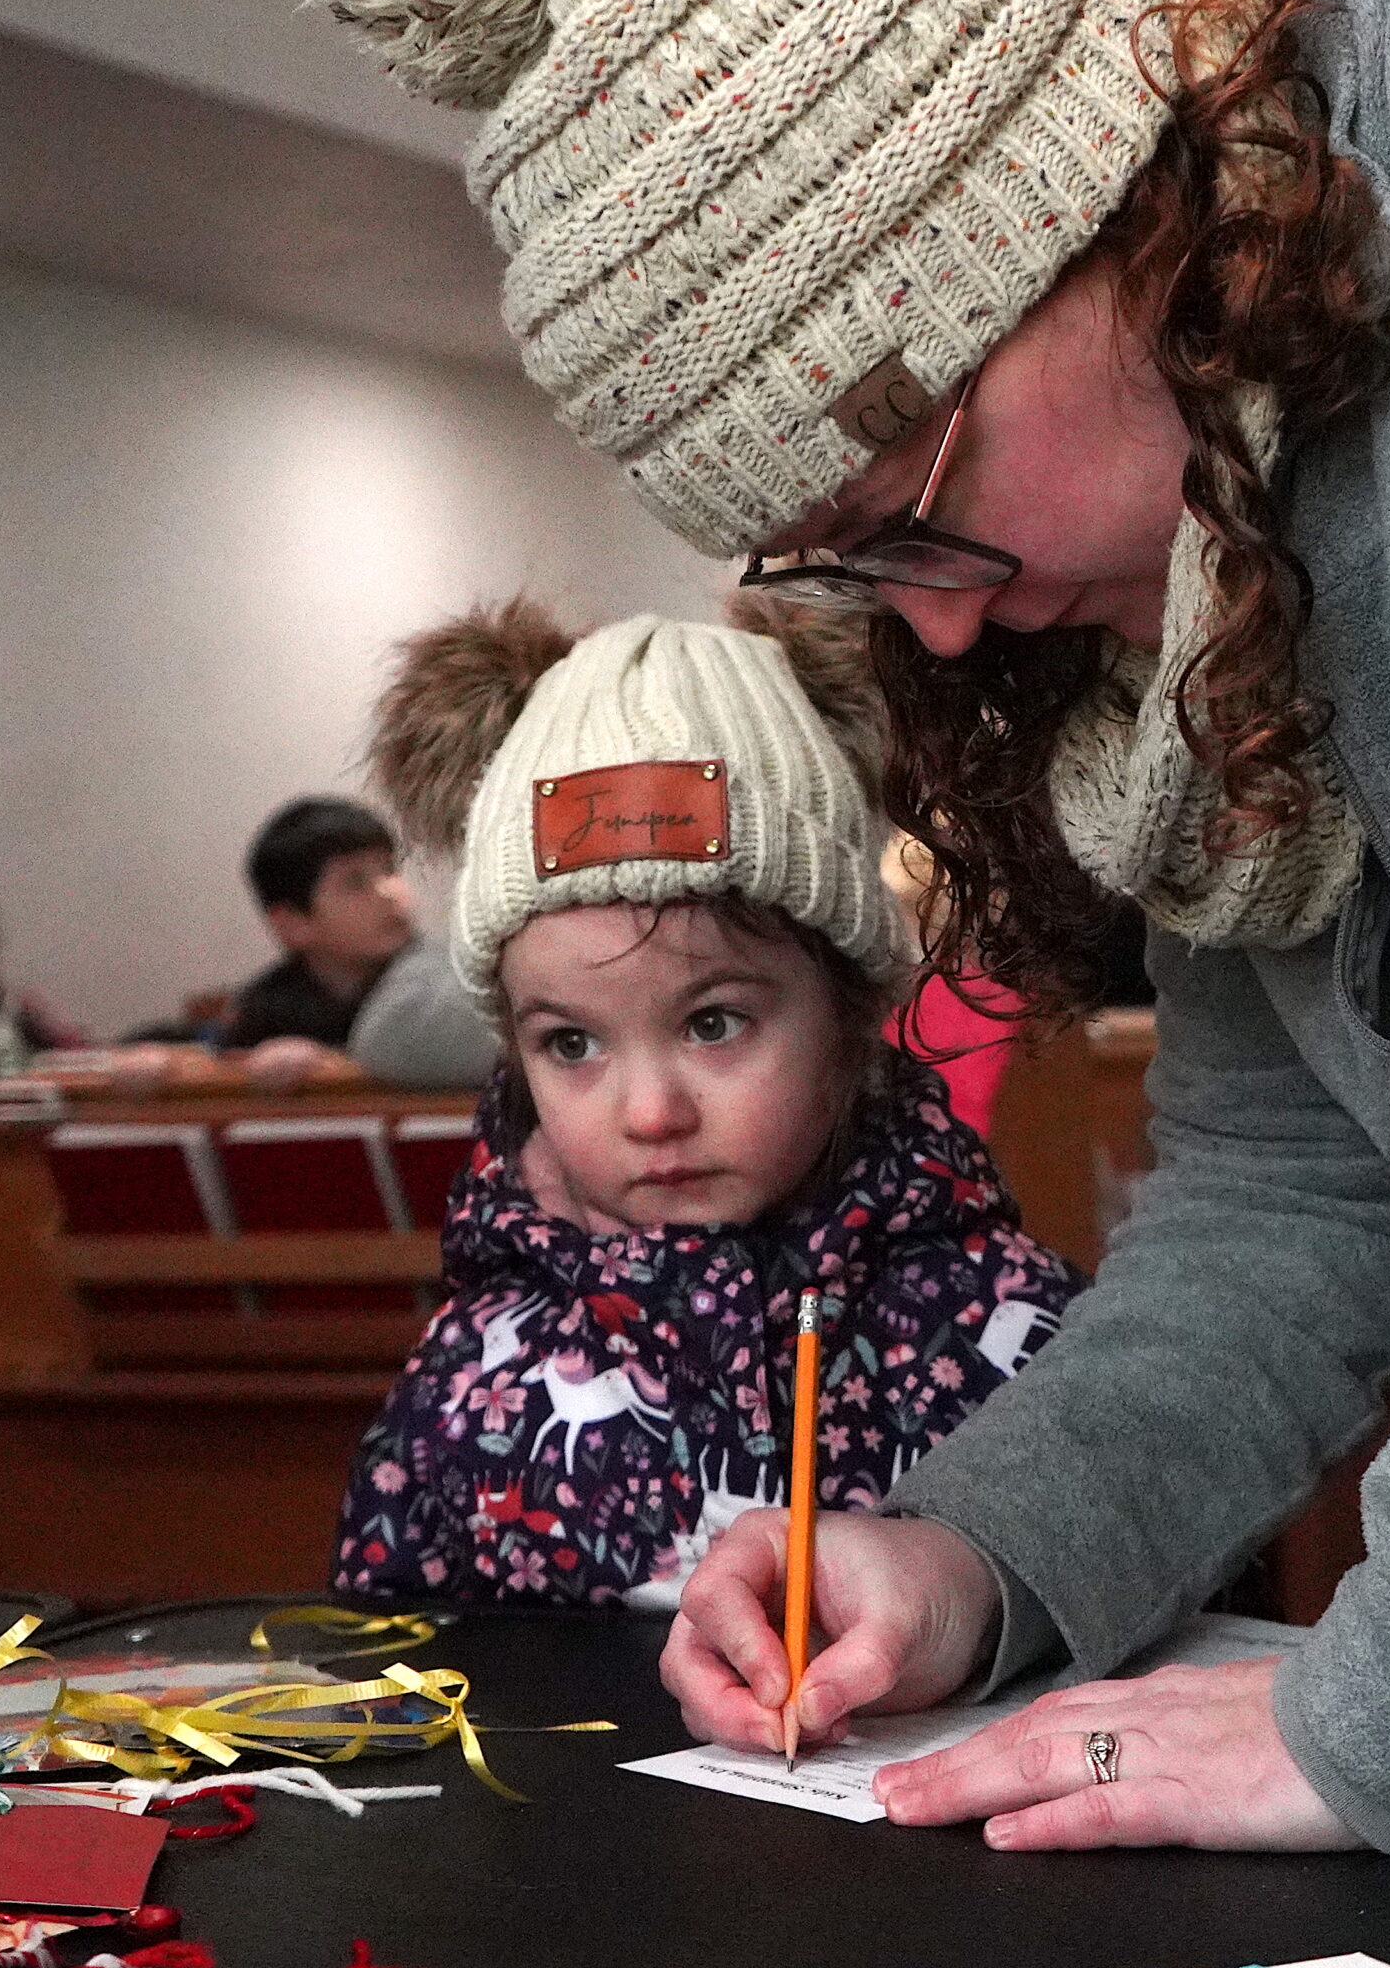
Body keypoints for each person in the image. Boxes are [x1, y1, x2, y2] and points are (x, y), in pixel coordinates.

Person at [292, 0, 1390, 1849]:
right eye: (848, 572)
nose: (932, 628)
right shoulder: (1204, 502)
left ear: (1063, 211)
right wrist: (975, 1550)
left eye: (900, 507)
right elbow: (1298, 1175)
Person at [331, 603, 1080, 1608]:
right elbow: (385, 1655)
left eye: (713, 1023)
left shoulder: (1018, 1335)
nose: (650, 1112)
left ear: (852, 1010)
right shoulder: (474, 1370)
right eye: (572, 1043)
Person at [222, 794, 497, 1088]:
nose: (391, 891)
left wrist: (328, 1061)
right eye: (355, 882)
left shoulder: (444, 986)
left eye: (390, 869)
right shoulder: (264, 1011)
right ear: (292, 924)